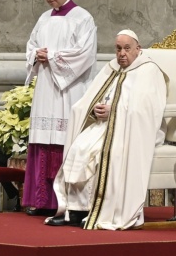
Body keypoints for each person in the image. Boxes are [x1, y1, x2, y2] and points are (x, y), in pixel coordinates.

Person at [46, 30, 167, 229]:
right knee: (78, 149)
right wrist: (95, 109)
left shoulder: (149, 70)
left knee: (98, 152)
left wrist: (115, 111)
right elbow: (91, 98)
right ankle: (75, 211)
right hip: (104, 125)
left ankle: (96, 210)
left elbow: (149, 109)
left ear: (138, 49)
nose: (122, 54)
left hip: (132, 129)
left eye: (127, 49)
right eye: (118, 49)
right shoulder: (112, 68)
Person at [23, 0, 97, 216]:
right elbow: (31, 45)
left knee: (64, 142)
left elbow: (84, 55)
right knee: (44, 142)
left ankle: (66, 203)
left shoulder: (82, 18)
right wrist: (36, 55)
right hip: (46, 87)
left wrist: (52, 56)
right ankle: (42, 200)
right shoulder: (44, 18)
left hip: (70, 90)